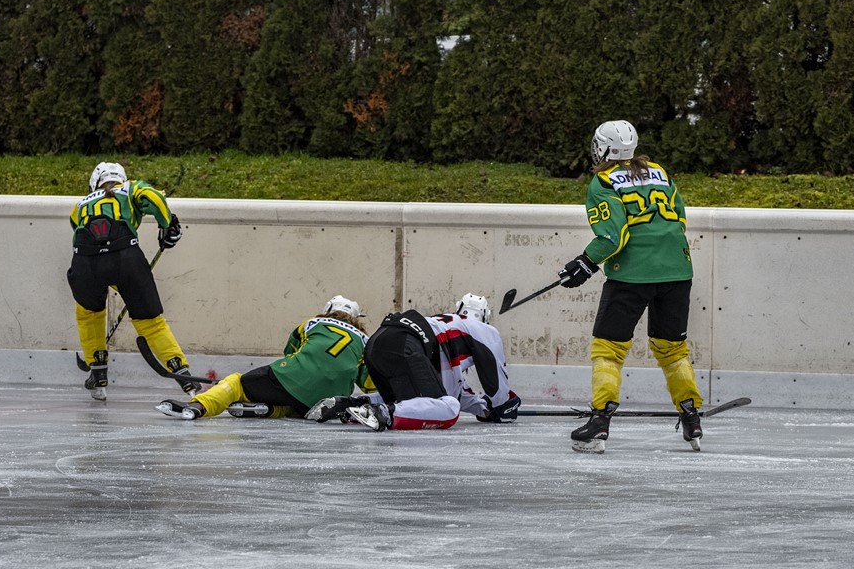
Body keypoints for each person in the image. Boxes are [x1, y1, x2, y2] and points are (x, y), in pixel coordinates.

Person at [558, 120, 703, 454]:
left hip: (631, 276)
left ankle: (600, 421)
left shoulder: (603, 181)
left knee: (608, 349)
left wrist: (584, 262)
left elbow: (614, 235)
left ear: (602, 149)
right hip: (677, 271)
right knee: (672, 349)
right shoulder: (659, 172)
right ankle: (691, 416)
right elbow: (679, 218)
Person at [67, 162, 196, 401]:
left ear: (94, 183)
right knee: (150, 322)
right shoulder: (131, 188)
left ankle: (98, 373)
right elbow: (153, 197)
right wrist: (168, 225)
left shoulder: (80, 205)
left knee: (89, 315)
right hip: (126, 257)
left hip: (84, 263)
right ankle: (182, 372)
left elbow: (77, 229)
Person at [308, 293, 520, 431]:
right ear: (484, 317)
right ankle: (384, 413)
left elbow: (450, 390)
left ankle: (354, 404)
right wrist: (502, 406)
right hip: (406, 345)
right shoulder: (485, 331)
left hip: (378, 343)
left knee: (415, 402)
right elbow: (495, 380)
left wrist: (483, 409)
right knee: (449, 409)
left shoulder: (447, 329)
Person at [154, 296, 374, 420]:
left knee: (237, 383)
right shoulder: (365, 341)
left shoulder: (312, 323)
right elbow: (367, 383)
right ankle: (271, 410)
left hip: (292, 378)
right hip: (327, 401)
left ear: (328, 309)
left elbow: (290, 351)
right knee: (294, 405)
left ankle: (198, 407)